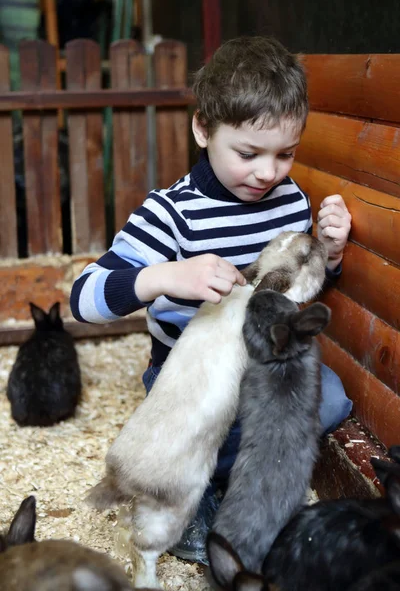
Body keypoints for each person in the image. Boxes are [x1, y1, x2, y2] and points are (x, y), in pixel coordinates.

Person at [70, 36, 352, 564]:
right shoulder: (169, 213)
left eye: (285, 154)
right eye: (248, 153)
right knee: (201, 429)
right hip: (188, 378)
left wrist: (330, 255)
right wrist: (164, 275)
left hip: (263, 369)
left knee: (334, 401)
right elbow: (82, 299)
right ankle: (185, 487)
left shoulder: (291, 202)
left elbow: (296, 295)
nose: (268, 173)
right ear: (203, 129)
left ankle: (216, 478)